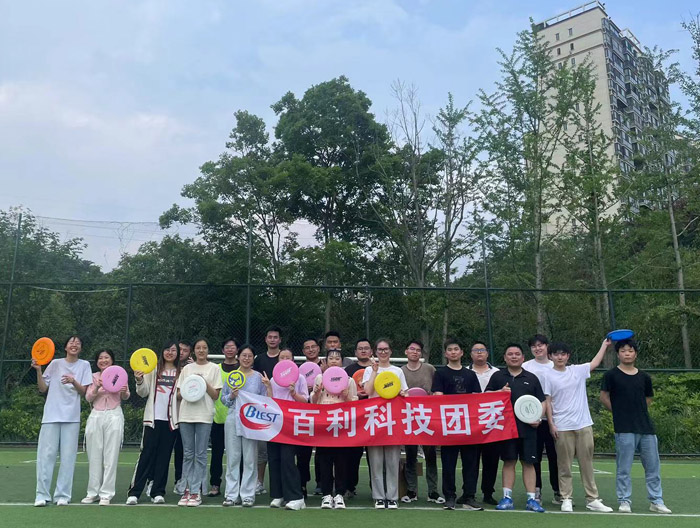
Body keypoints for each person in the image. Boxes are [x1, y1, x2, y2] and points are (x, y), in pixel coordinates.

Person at [600, 338, 672, 514]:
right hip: (624, 428)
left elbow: (648, 398)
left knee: (653, 467)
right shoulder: (611, 375)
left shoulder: (644, 377)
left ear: (636, 354)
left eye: (630, 351)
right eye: (623, 351)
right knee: (624, 468)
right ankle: (624, 501)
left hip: (646, 428)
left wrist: (637, 411)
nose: (627, 354)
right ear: (618, 354)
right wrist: (618, 412)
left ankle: (656, 501)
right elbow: (604, 397)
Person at [544, 340, 613, 513]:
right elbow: (548, 401)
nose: (560, 357)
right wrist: (551, 424)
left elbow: (595, 362)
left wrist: (604, 345)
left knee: (587, 464)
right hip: (562, 426)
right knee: (564, 465)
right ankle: (566, 498)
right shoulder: (547, 376)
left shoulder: (577, 370)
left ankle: (592, 499)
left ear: (568, 356)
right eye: (556, 354)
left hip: (583, 425)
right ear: (550, 356)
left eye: (563, 354)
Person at [32, 336, 92, 507]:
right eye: (71, 342)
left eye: (78, 343)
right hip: (51, 416)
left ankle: (63, 495)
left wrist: (73, 381)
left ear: (80, 348)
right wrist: (38, 370)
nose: (74, 345)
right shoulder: (55, 363)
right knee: (46, 456)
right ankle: (41, 495)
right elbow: (43, 388)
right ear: (65, 347)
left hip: (71, 418)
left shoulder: (84, 365)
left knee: (68, 457)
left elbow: (84, 392)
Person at [486, 344, 546, 513]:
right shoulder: (497, 376)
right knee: (509, 461)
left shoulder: (531, 378)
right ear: (505, 358)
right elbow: (486, 398)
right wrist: (500, 391)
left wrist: (538, 417)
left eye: (517, 354)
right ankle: (507, 498)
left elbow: (541, 401)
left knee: (529, 463)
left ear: (523, 358)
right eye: (510, 354)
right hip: (506, 429)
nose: (514, 356)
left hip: (528, 429)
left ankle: (532, 500)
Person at [431, 338, 482, 511]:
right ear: (446, 353)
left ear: (461, 353)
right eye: (450, 349)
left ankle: (469, 496)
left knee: (471, 463)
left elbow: (477, 398)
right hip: (449, 425)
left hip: (469, 426)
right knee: (448, 463)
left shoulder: (471, 375)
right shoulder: (440, 374)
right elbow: (438, 397)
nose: (453, 352)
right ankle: (449, 497)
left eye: (456, 349)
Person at [127, 341, 181, 505]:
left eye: (173, 350)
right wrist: (139, 380)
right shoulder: (153, 369)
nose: (170, 352)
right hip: (152, 420)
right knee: (146, 455)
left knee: (164, 457)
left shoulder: (181, 372)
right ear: (162, 352)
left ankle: (157, 492)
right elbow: (143, 392)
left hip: (171, 422)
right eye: (167, 349)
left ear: (178, 353)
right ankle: (134, 492)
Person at [362, 338, 408, 509]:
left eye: (386, 349)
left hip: (393, 419)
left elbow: (405, 393)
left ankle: (392, 497)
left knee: (393, 459)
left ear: (390, 351)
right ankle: (379, 497)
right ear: (375, 352)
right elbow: (367, 391)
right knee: (375, 460)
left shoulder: (398, 371)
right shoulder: (369, 370)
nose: (383, 352)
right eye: (380, 349)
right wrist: (374, 371)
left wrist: (402, 393)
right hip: (374, 419)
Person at [176, 338, 222, 507]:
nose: (201, 350)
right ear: (194, 351)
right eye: (198, 348)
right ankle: (187, 489)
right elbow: (178, 395)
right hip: (186, 415)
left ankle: (196, 492)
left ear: (208, 350)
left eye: (204, 347)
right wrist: (190, 386)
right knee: (188, 454)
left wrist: (202, 382)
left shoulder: (214, 368)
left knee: (201, 454)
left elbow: (215, 395)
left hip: (204, 415)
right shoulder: (187, 369)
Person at [311, 348, 358, 509]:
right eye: (331, 358)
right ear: (326, 361)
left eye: (337, 358)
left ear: (342, 361)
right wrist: (317, 392)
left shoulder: (349, 380)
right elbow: (313, 402)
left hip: (341, 425)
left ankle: (339, 494)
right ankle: (326, 494)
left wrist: (346, 396)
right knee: (324, 460)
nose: (334, 360)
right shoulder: (320, 378)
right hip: (324, 425)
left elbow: (355, 404)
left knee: (341, 460)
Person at [221, 345, 267, 507]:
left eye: (249, 356)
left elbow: (264, 399)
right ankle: (231, 495)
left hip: (251, 420)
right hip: (233, 417)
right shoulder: (232, 376)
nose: (246, 358)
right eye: (244, 355)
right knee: (233, 458)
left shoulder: (258, 377)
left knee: (250, 458)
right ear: (238, 357)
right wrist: (232, 395)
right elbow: (223, 399)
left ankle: (248, 495)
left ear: (253, 358)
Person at [263, 348, 308, 511]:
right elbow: (270, 402)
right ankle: (278, 494)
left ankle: (296, 497)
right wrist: (268, 387)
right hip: (275, 424)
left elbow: (305, 401)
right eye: (282, 357)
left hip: (292, 424)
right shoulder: (273, 379)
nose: (284, 360)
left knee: (288, 459)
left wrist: (293, 393)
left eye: (288, 357)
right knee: (274, 458)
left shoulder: (300, 378)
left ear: (293, 361)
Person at [82, 349, 130, 505]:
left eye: (106, 357)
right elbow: (88, 397)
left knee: (111, 455)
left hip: (114, 414)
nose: (103, 360)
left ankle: (106, 494)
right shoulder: (93, 377)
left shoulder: (119, 374)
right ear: (97, 362)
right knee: (94, 455)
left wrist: (124, 391)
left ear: (112, 360)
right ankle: (92, 492)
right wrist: (97, 387)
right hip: (96, 414)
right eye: (100, 358)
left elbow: (126, 396)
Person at [400, 339, 443, 505]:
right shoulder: (400, 371)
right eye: (412, 349)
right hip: (408, 418)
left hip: (428, 418)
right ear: (406, 351)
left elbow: (437, 390)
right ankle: (411, 491)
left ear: (421, 353)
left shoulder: (430, 369)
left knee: (431, 456)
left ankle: (433, 491)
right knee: (410, 455)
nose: (414, 352)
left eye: (418, 350)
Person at [523, 334, 561, 505]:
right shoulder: (526, 367)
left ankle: (558, 491)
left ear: (547, 346)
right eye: (534, 346)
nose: (537, 348)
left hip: (554, 420)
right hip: (532, 421)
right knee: (534, 457)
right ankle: (536, 489)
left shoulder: (556, 365)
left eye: (540, 345)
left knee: (555, 457)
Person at [466, 341, 501, 505]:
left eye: (482, 350)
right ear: (470, 354)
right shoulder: (465, 372)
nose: (479, 353)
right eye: (476, 350)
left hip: (491, 423)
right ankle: (468, 492)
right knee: (470, 460)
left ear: (487, 353)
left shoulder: (497, 373)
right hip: (470, 423)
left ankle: (488, 492)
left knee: (491, 459)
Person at [208, 337, 240, 498]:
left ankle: (238, 485)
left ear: (237, 350)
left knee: (238, 455)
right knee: (217, 453)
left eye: (233, 347)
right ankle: (215, 483)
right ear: (222, 350)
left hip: (238, 420)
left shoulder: (243, 369)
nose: (230, 349)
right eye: (227, 347)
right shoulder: (216, 369)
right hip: (218, 418)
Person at [253, 325, 282, 495]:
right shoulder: (259, 360)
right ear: (265, 339)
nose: (272, 340)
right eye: (270, 337)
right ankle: (259, 482)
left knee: (282, 450)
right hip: (264, 409)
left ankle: (282, 483)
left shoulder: (285, 358)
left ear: (280, 340)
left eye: (275, 337)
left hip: (283, 409)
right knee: (262, 449)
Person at [344, 338, 373, 498]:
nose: (363, 351)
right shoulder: (348, 370)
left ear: (371, 351)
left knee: (374, 454)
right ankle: (350, 486)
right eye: (360, 348)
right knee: (352, 454)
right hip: (354, 418)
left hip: (373, 416)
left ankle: (376, 487)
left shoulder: (377, 369)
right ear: (355, 352)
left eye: (366, 348)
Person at [297, 337, 324, 497]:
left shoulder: (328, 367)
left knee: (322, 450)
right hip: (304, 414)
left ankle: (322, 483)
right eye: (307, 347)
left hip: (322, 414)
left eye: (313, 346)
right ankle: (302, 483)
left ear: (318, 348)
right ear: (303, 351)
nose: (311, 349)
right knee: (303, 451)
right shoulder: (298, 370)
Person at [172, 340, 192, 496]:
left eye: (185, 350)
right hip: (167, 415)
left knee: (183, 450)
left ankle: (182, 480)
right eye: (180, 349)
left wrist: (190, 370)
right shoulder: (166, 367)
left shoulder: (192, 369)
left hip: (184, 416)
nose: (182, 352)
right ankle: (153, 481)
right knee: (164, 450)